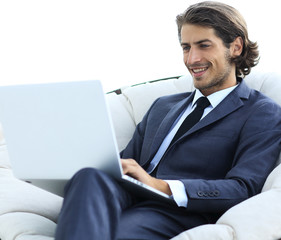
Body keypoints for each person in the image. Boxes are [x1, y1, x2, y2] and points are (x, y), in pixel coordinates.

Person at [55, 1, 281, 240]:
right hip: (124, 194)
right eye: (186, 47)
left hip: (176, 210)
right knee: (89, 176)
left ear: (236, 47)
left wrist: (159, 185)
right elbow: (125, 163)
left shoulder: (261, 113)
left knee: (119, 234)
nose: (192, 59)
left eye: (204, 46)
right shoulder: (163, 106)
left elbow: (243, 188)